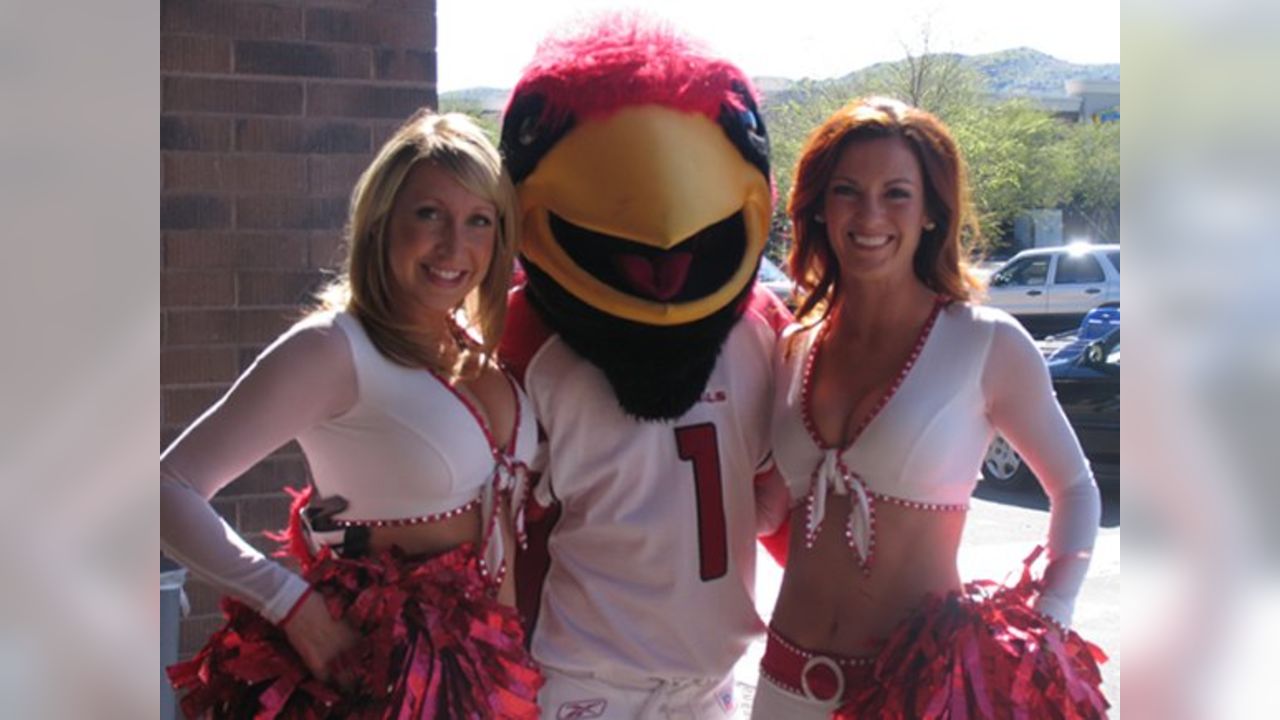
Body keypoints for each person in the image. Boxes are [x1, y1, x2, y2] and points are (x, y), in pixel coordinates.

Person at [161, 111, 542, 718]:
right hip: (373, 674)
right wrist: (291, 605)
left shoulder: (469, 340)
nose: (454, 246)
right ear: (381, 220)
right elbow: (165, 487)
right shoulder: (333, 348)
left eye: (479, 221)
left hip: (484, 670)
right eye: (429, 215)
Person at [750, 97, 1109, 719]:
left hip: (912, 695)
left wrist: (1049, 625)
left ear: (931, 214)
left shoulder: (985, 342)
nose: (869, 214)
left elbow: (1076, 488)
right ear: (819, 207)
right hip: (784, 685)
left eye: (896, 193)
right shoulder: (793, 346)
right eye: (846, 191)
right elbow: (767, 509)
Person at [496, 14, 791, 719]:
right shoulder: (527, 343)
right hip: (584, 678)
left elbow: (785, 501)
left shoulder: (763, 334)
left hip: (712, 676)